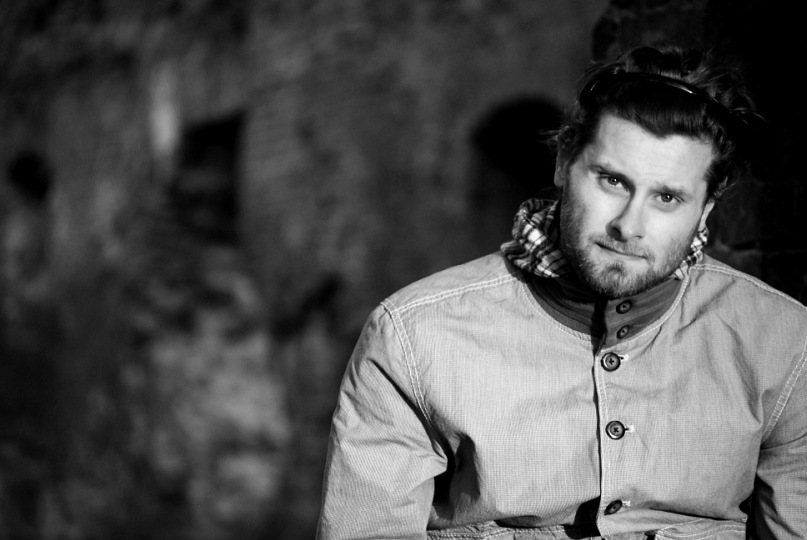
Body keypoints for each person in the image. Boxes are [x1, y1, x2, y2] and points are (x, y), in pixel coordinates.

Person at [316, 43, 807, 539]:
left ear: (705, 210)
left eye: (667, 197)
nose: (629, 226)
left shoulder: (783, 343)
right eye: (613, 180)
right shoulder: (413, 336)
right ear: (564, 163)